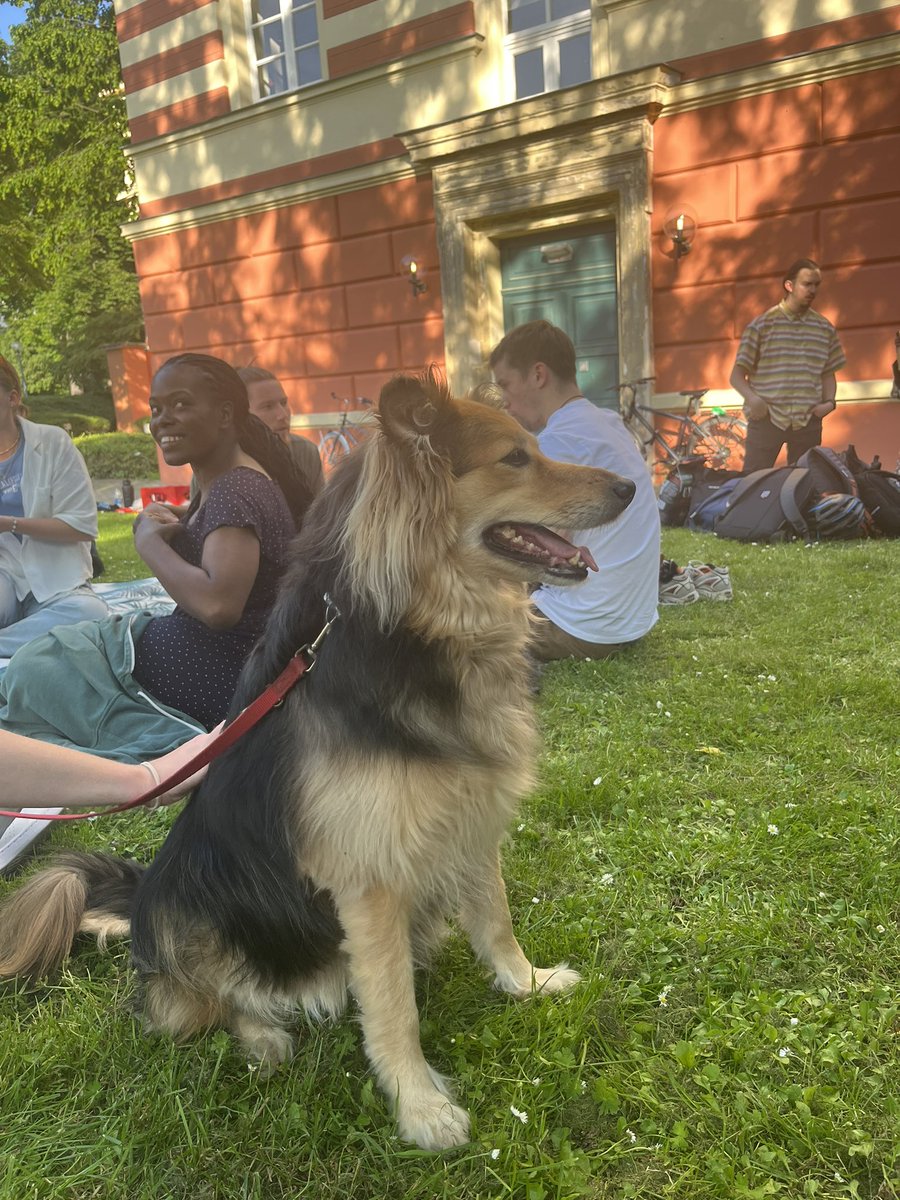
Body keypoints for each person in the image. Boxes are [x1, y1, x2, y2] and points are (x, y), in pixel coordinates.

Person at [0, 353, 314, 752]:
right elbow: (229, 535)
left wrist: (149, 545)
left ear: (224, 414)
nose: (162, 420)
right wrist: (187, 518)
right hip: (201, 656)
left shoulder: (236, 490)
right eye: (156, 409)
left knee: (32, 673)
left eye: (181, 404)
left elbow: (219, 607)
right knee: (45, 657)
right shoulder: (227, 483)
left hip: (215, 671)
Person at [489, 320, 660, 661]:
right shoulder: (608, 423)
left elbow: (538, 549)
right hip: (634, 620)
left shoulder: (558, 442)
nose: (504, 402)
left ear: (538, 375)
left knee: (456, 624)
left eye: (505, 385)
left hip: (582, 627)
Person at [0, 353, 108, 659]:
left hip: (57, 579)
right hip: (4, 576)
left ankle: (11, 641)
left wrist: (8, 523)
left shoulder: (52, 443)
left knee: (91, 613)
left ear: (12, 398)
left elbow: (81, 526)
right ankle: (39, 636)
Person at [730, 259, 846, 474]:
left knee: (806, 483)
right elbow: (736, 376)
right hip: (768, 418)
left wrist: (829, 403)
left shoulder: (824, 328)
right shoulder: (762, 325)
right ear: (789, 286)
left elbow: (828, 374)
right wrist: (753, 399)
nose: (812, 290)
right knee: (753, 482)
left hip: (808, 420)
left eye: (816, 285)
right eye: (806, 284)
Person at [237, 366, 324, 500]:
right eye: (268, 406)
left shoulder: (305, 451)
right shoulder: (222, 461)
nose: (283, 415)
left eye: (283, 403)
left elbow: (320, 515)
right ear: (242, 414)